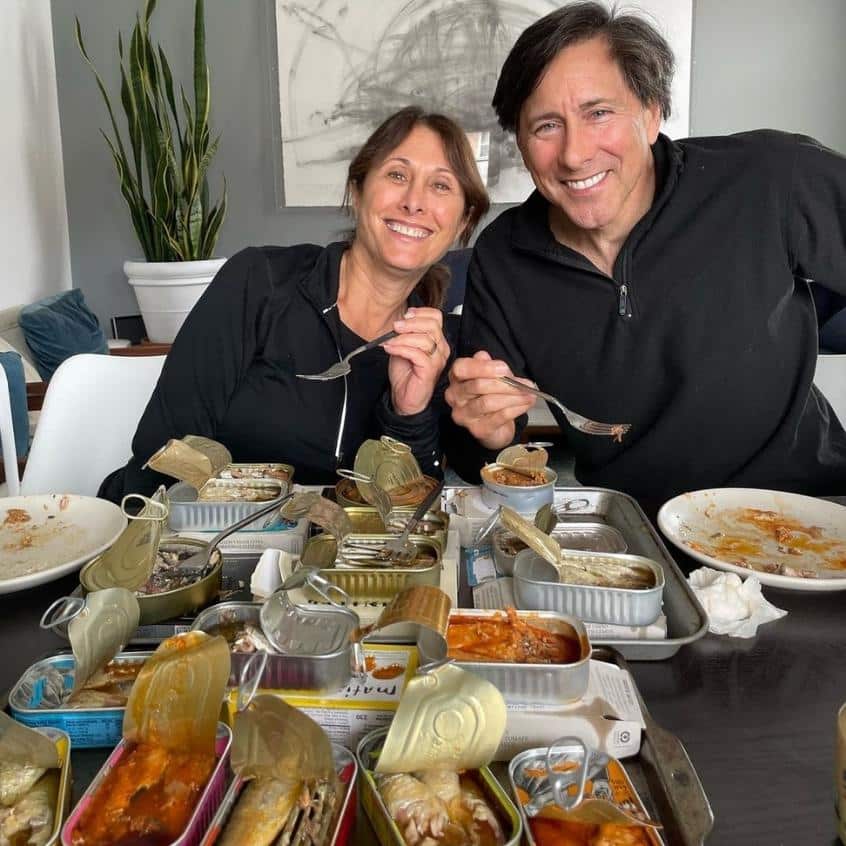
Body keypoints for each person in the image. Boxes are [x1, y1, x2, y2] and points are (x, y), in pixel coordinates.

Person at [444, 1, 846, 511]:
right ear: (521, 143)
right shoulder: (503, 256)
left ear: (652, 113)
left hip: (814, 511)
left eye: (599, 114)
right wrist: (486, 431)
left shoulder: (769, 179)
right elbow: (480, 445)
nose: (574, 154)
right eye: (546, 125)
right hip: (643, 536)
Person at [100, 106, 489, 501]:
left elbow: (408, 515)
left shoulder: (438, 347)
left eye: (441, 186)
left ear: (462, 222)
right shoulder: (259, 281)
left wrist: (409, 413)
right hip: (202, 540)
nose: (414, 202)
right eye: (397, 175)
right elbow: (162, 458)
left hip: (339, 557)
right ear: (357, 191)